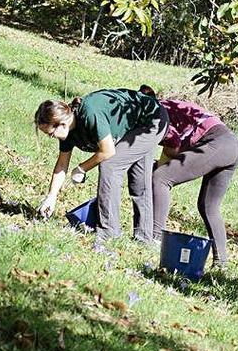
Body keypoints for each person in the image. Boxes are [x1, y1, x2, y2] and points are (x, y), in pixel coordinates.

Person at [34, 89, 169, 243]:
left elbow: (107, 151)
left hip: (152, 119)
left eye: (51, 134)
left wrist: (82, 168)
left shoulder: (90, 114)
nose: (51, 138)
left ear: (62, 124)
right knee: (138, 179)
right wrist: (51, 196)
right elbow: (62, 164)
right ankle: (144, 238)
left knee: (111, 165)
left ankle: (108, 233)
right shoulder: (67, 131)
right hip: (136, 123)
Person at [141, 85, 238, 268]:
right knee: (208, 205)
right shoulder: (171, 105)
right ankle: (221, 263)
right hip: (233, 145)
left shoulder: (157, 112)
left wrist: (159, 165)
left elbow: (173, 145)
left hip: (217, 142)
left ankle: (154, 238)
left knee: (160, 178)